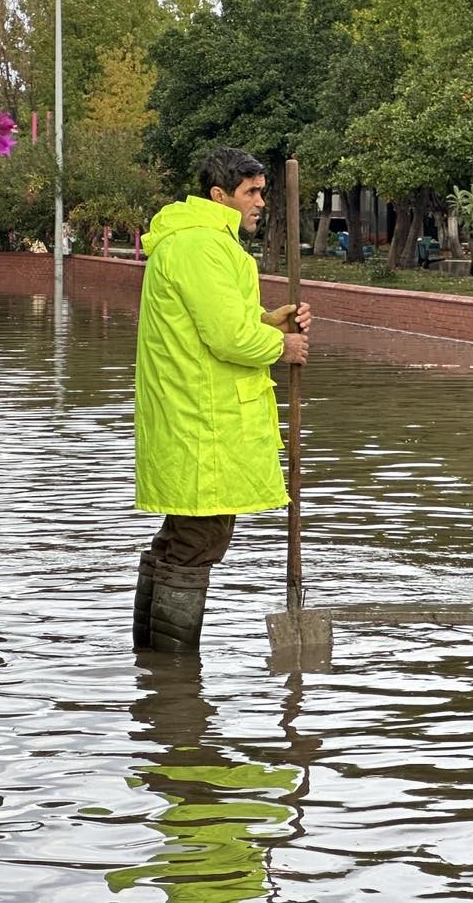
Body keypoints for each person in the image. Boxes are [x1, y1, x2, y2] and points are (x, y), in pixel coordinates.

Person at [132, 147, 311, 653]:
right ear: (219, 195)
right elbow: (229, 339)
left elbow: (220, 322)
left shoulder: (197, 243)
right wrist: (283, 345)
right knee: (197, 541)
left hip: (195, 415)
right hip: (203, 421)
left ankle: (157, 680)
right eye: (250, 193)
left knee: (179, 541)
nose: (260, 202)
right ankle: (174, 678)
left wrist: (268, 320)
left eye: (263, 192)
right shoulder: (203, 247)